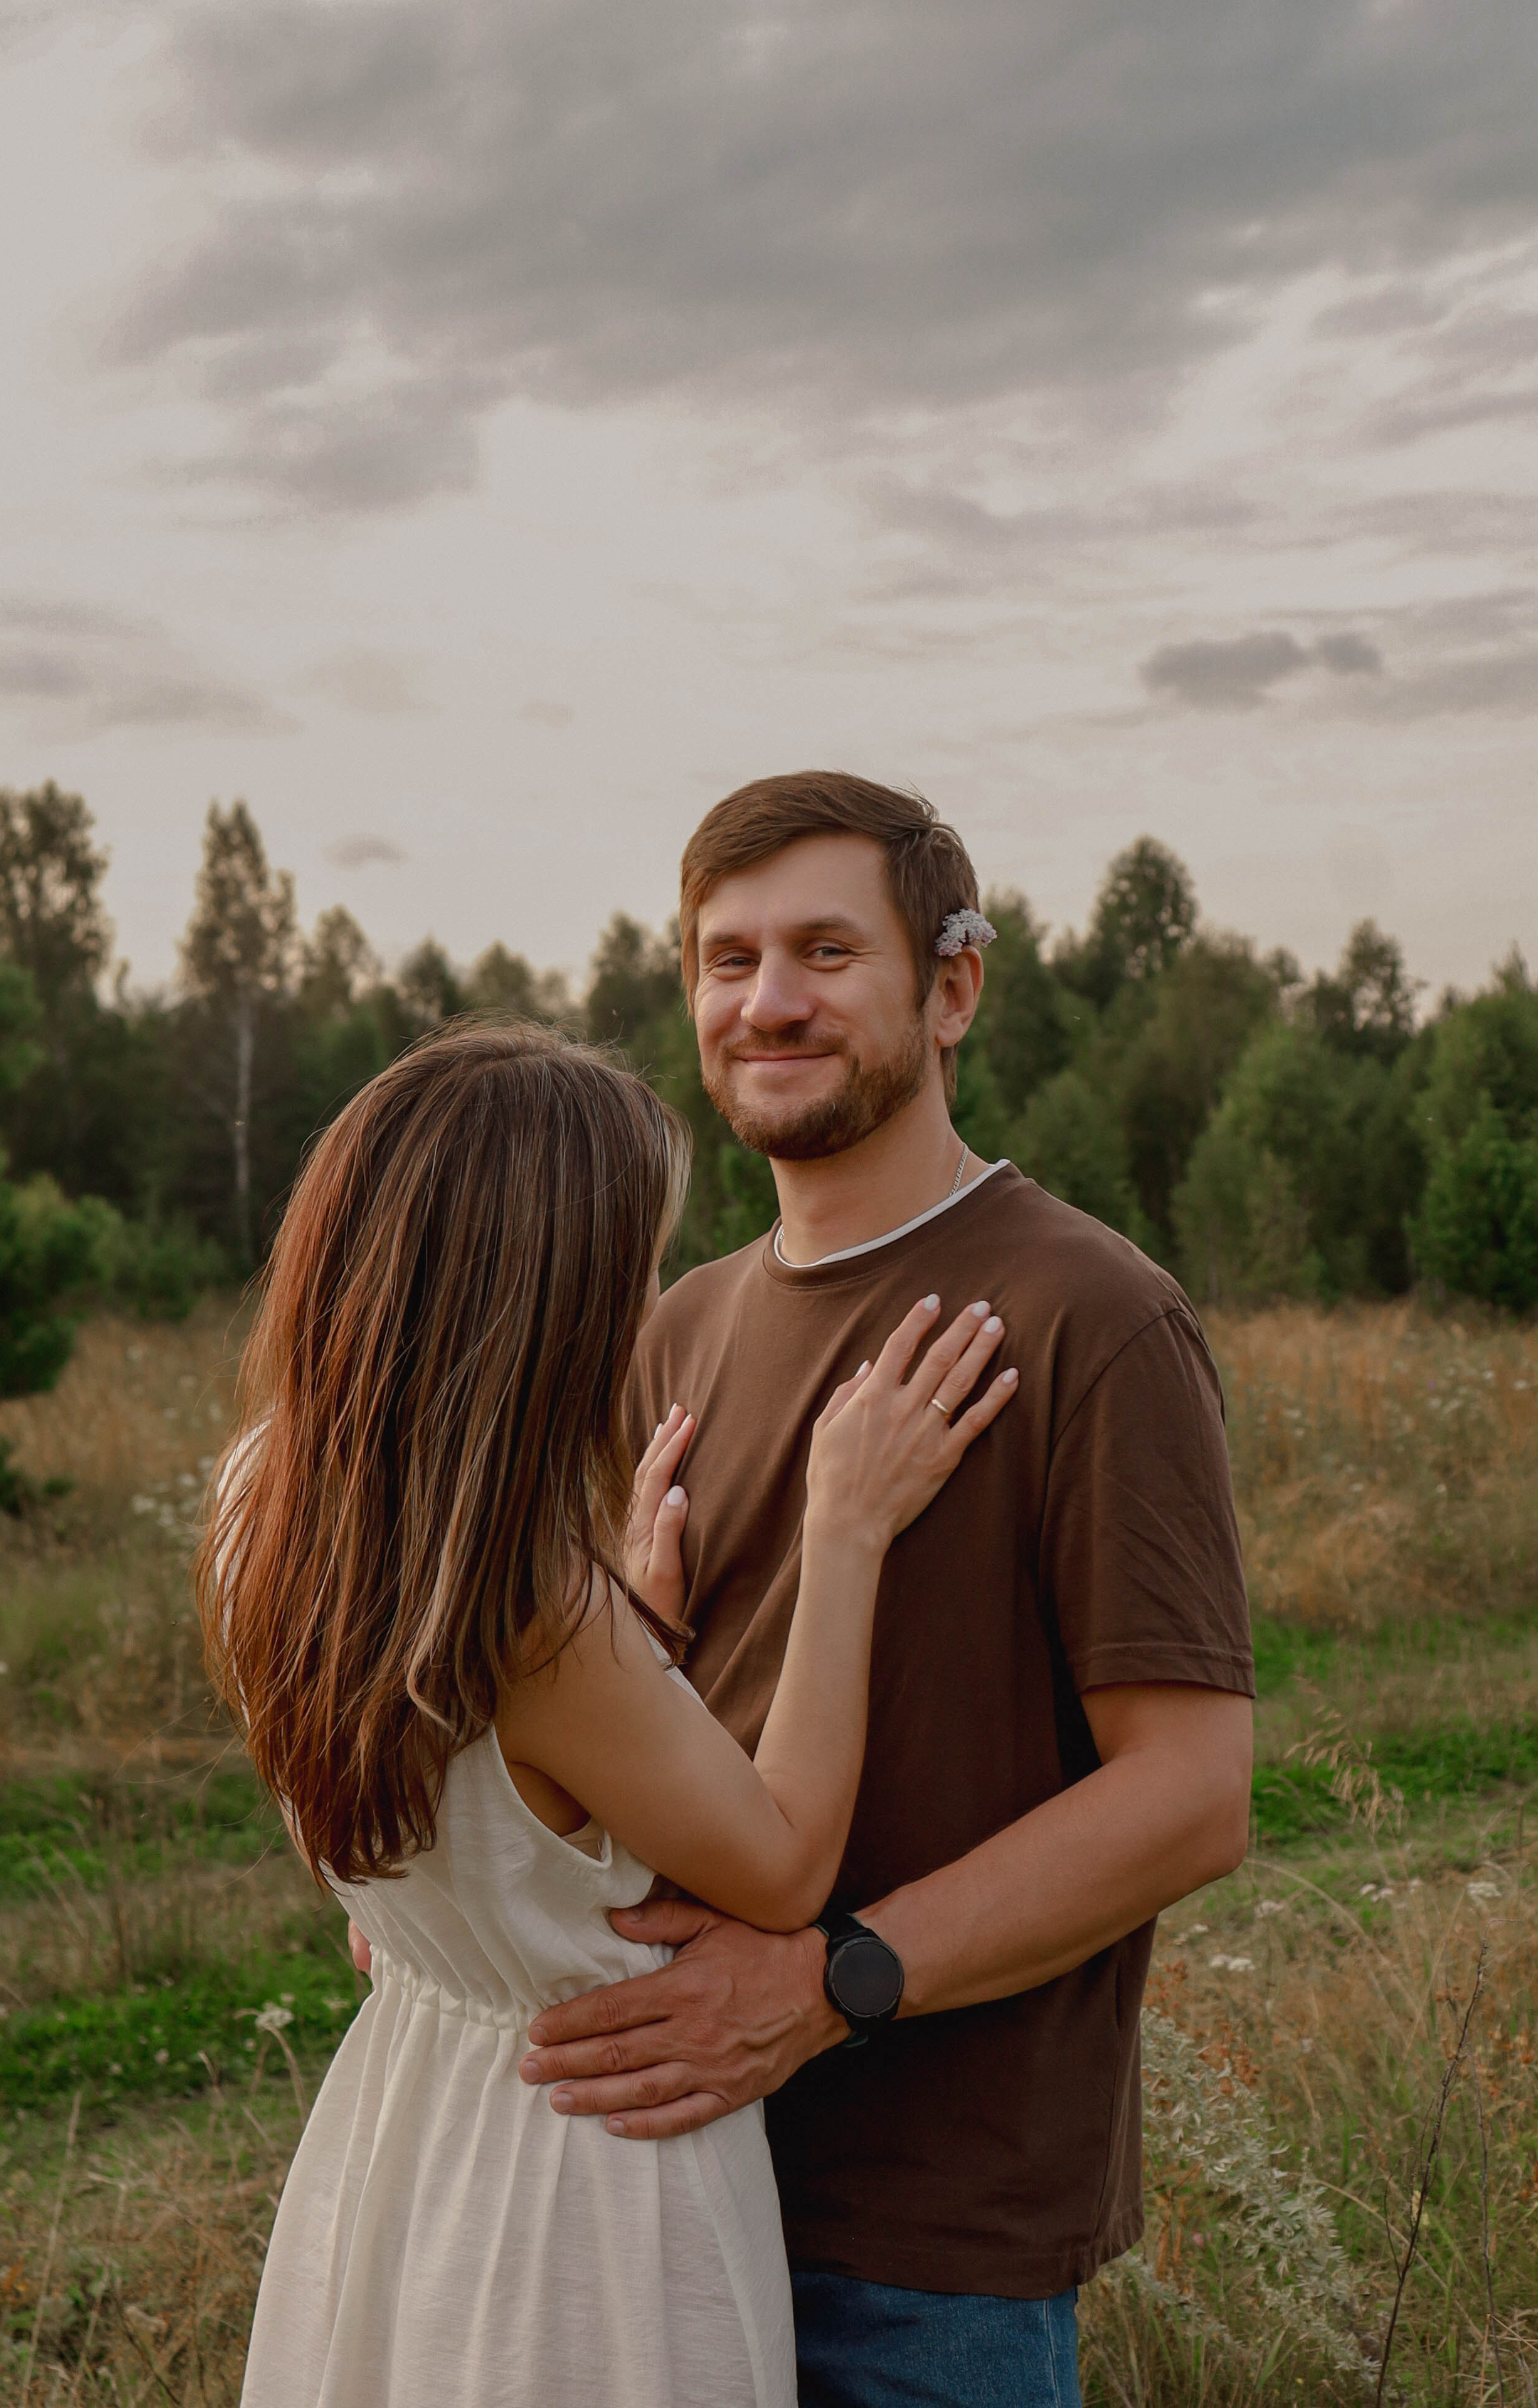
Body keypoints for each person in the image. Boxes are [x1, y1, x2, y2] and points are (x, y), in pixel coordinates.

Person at [514, 773, 1257, 2408]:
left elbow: (1192, 1798)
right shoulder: (674, 1334)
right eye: (727, 960)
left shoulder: (1082, 1313)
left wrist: (831, 1984)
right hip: (646, 2191)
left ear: (952, 988)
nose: (767, 1002)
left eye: (826, 952)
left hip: (923, 2260)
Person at [199, 1018, 1017, 2408]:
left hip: (405, 2134)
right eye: (634, 1270)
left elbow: (474, 1805)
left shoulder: (263, 1501)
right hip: (580, 2187)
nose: (652, 1302)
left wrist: (628, 1632)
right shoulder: (535, 1618)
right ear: (547, 1303)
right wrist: (846, 1533)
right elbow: (784, 1858)